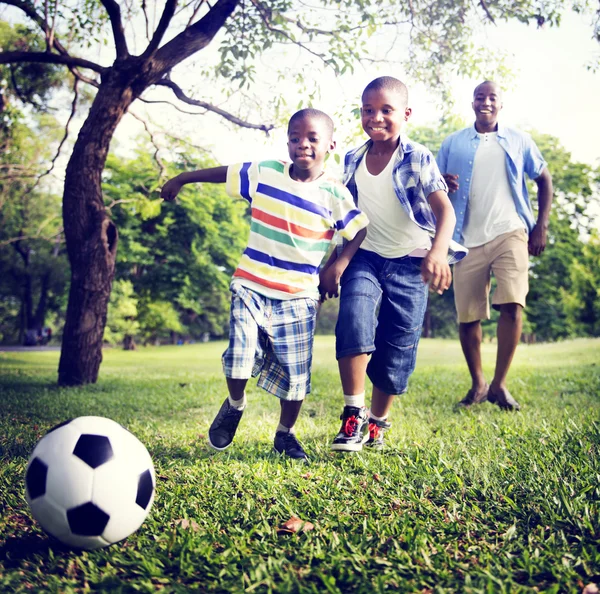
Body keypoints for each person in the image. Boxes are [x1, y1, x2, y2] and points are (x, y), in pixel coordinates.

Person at [161, 108, 368, 460]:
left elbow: (358, 229)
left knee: (296, 376)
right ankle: (235, 404)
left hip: (299, 295)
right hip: (251, 285)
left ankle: (285, 434)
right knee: (239, 357)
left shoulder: (334, 192)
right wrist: (182, 177)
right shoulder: (265, 173)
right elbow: (223, 172)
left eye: (312, 138)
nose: (302, 144)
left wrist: (337, 268)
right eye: (295, 137)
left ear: (330, 145)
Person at [321, 76, 466, 452]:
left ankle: (378, 421)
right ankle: (353, 414)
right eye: (369, 110)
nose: (376, 117)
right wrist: (336, 262)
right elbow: (348, 220)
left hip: (411, 262)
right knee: (353, 317)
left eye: (387, 110)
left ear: (406, 114)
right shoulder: (352, 158)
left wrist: (437, 253)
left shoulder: (417, 157)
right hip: (365, 256)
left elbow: (444, 211)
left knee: (398, 344)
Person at [436, 80, 553, 411]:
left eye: (492, 97)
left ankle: (500, 385)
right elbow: (433, 187)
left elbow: (544, 179)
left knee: (513, 304)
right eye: (479, 97)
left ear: (501, 104)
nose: (485, 102)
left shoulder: (519, 140)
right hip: (465, 238)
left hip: (511, 231)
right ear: (472, 103)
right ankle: (479, 384)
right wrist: (442, 183)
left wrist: (540, 226)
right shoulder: (453, 143)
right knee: (468, 315)